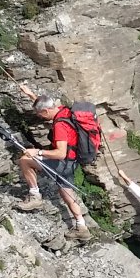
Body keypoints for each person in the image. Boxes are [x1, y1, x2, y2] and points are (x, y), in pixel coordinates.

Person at [11, 84, 91, 237]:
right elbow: (44, 105)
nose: (40, 117)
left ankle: (34, 195)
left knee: (25, 160)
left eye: (41, 114)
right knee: (66, 192)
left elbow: (60, 153)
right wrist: (31, 94)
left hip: (62, 163)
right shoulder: (64, 111)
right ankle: (82, 227)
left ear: (46, 111)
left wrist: (38, 151)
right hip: (72, 162)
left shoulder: (60, 126)